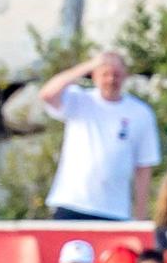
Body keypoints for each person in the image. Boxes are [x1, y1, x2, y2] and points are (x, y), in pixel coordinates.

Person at [40, 51, 160, 222]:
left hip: (114, 209)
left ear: (125, 76)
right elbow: (47, 94)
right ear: (95, 76)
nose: (111, 80)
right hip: (72, 203)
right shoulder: (79, 100)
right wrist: (89, 65)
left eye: (116, 74)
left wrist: (140, 215)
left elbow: (144, 166)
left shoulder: (140, 113)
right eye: (105, 74)